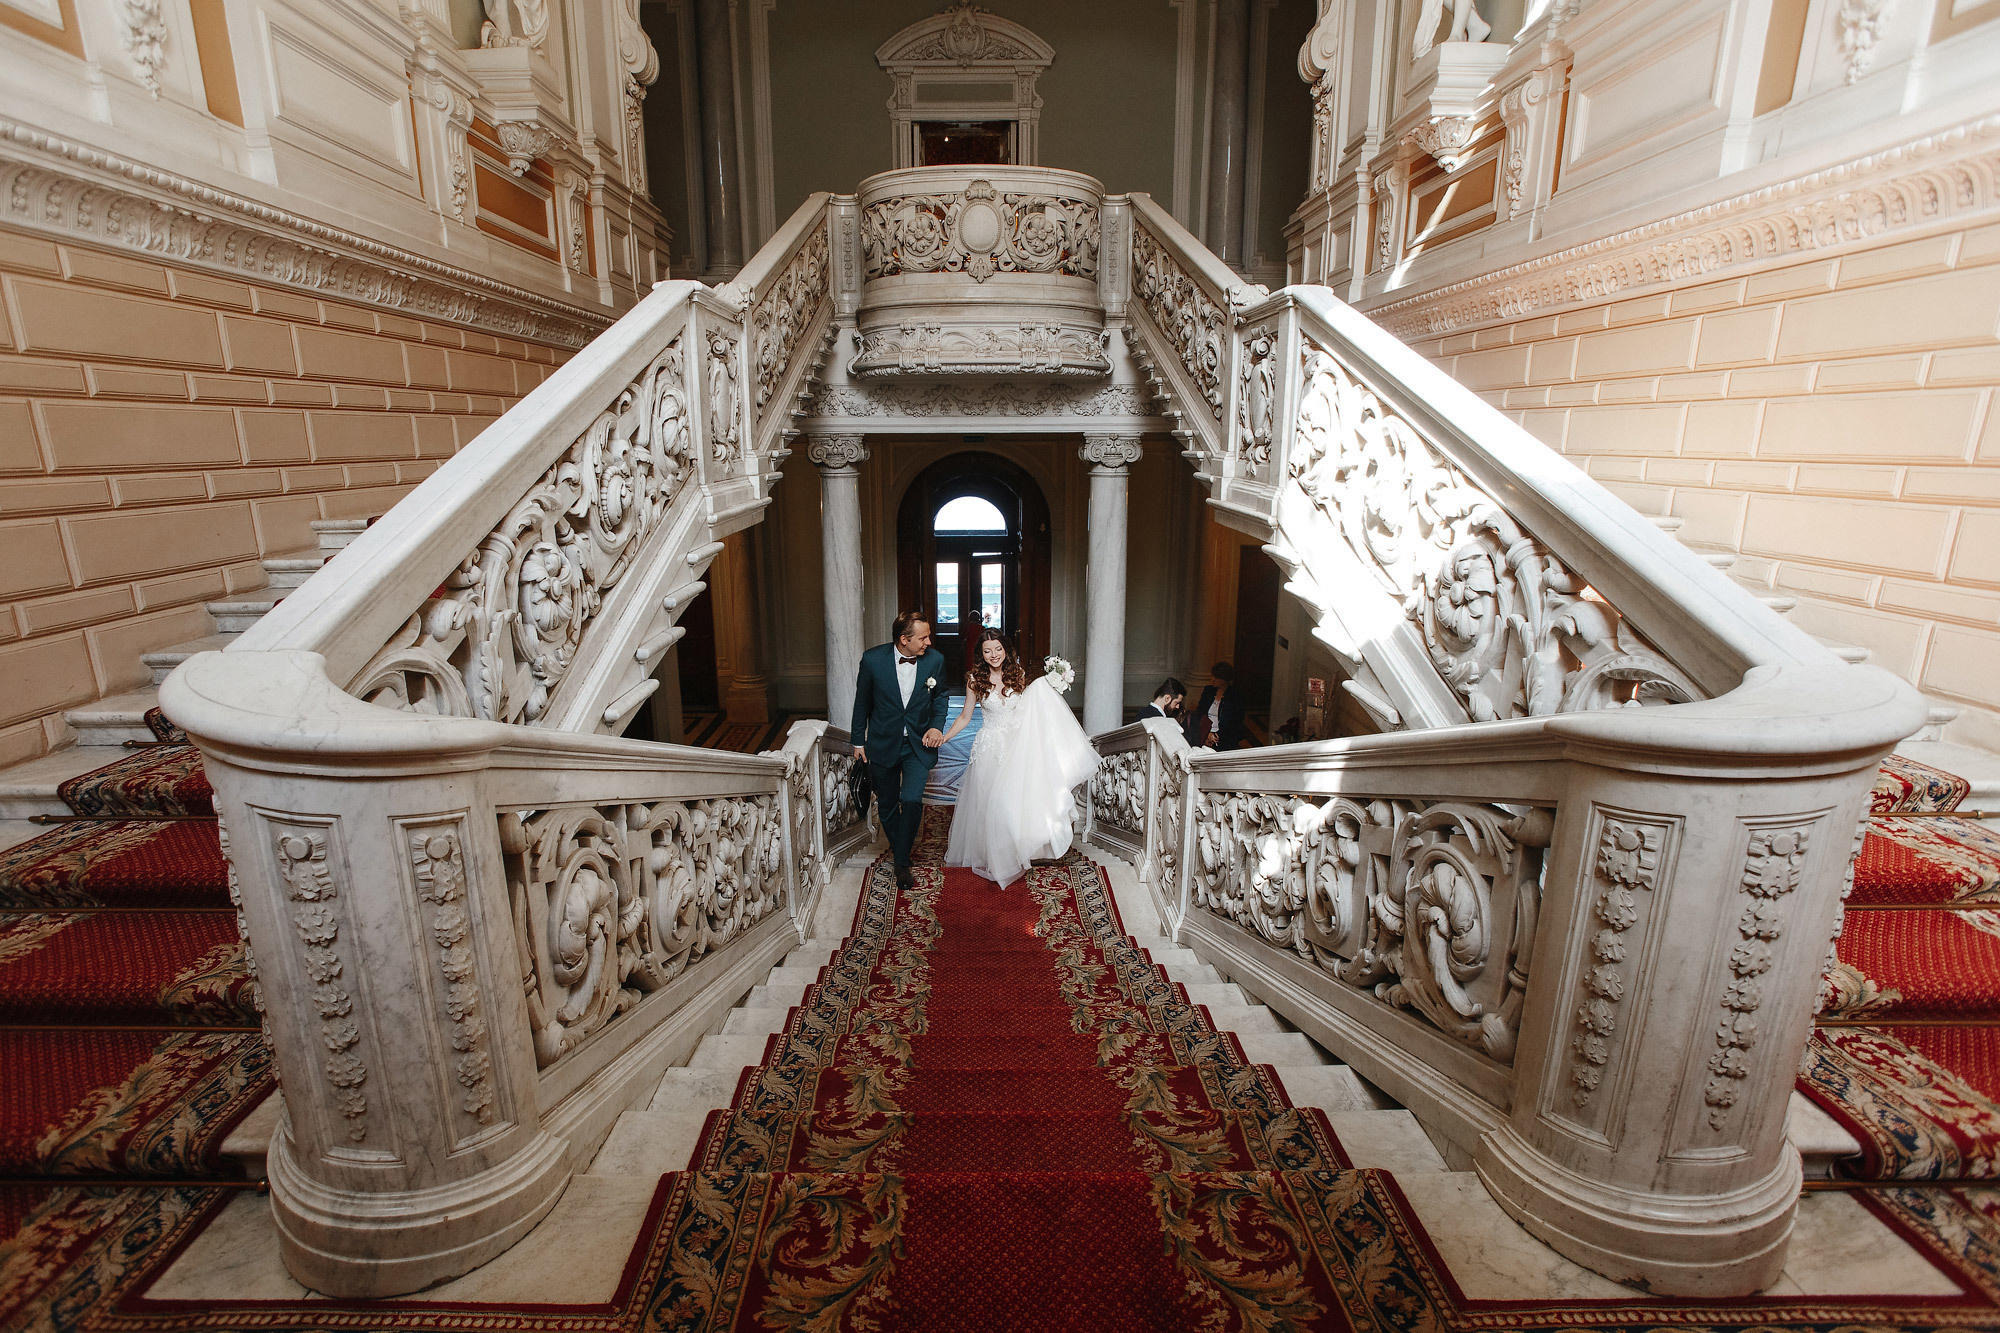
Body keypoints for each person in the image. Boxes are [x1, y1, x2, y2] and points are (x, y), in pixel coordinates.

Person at [937, 628, 1099, 889]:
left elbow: (1029, 709)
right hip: (989, 749)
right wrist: (945, 737)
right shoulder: (974, 680)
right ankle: (993, 856)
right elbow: (965, 716)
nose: (993, 655)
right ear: (980, 654)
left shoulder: (1018, 675)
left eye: (998, 649)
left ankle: (1015, 851)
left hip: (1016, 746)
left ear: (1006, 650)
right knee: (991, 805)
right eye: (987, 651)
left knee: (1012, 803)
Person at [852, 612, 950, 888]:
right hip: (883, 743)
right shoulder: (872, 660)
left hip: (918, 743)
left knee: (911, 799)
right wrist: (858, 741)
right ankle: (903, 852)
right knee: (887, 803)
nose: (929, 642)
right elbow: (862, 702)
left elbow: (941, 696)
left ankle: (901, 862)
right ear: (904, 639)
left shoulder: (935, 660)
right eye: (923, 637)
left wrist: (936, 727)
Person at [1186, 661, 1246, 750]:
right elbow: (1200, 713)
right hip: (1206, 731)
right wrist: (1207, 734)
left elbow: (1235, 722)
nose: (1212, 679)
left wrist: (1216, 736)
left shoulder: (1234, 696)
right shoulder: (1208, 691)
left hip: (1224, 737)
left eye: (1216, 677)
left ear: (1224, 680)